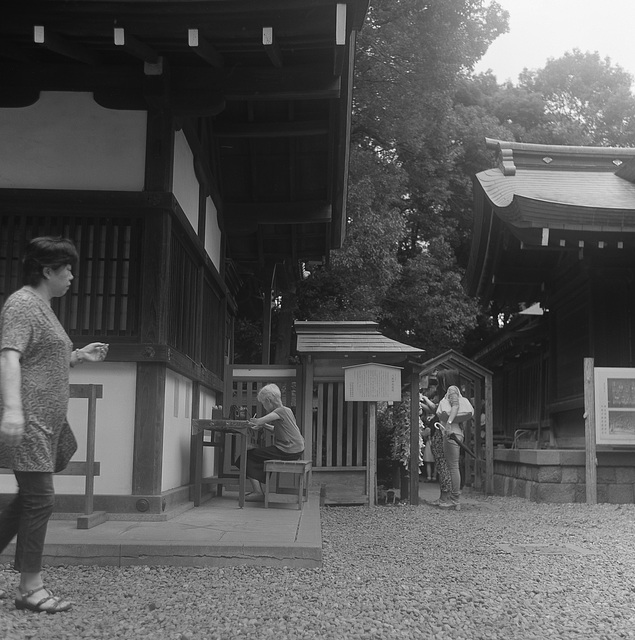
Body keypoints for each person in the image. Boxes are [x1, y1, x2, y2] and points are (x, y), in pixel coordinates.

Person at [0, 236, 109, 613]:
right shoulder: (23, 304)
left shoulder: (44, 308)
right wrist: (13, 410)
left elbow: (42, 359)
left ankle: (28, 583)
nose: (73, 277)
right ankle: (30, 588)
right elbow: (10, 357)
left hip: (46, 423)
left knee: (26, 501)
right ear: (48, 271)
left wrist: (79, 355)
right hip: (30, 419)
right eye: (68, 270)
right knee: (41, 497)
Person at [239, 383, 304, 503]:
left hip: (287, 450)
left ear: (268, 400)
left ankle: (258, 492)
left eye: (263, 403)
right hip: (296, 449)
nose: (264, 406)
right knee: (256, 455)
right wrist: (263, 425)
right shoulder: (287, 410)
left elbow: (259, 420)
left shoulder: (279, 411)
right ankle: (259, 489)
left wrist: (256, 422)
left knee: (246, 456)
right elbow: (276, 429)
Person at [435, 368, 464, 511]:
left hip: (452, 432)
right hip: (456, 432)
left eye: (441, 380)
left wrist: (449, 423)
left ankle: (455, 499)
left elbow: (455, 406)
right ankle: (455, 499)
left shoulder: (452, 389)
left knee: (453, 467)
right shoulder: (454, 390)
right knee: (454, 466)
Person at [420, 385, 452, 505]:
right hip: (440, 439)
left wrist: (424, 398)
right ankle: (445, 496)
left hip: (441, 438)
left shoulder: (446, 403)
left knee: (444, 466)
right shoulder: (447, 402)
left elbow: (434, 408)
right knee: (442, 466)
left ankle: (446, 497)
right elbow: (432, 409)